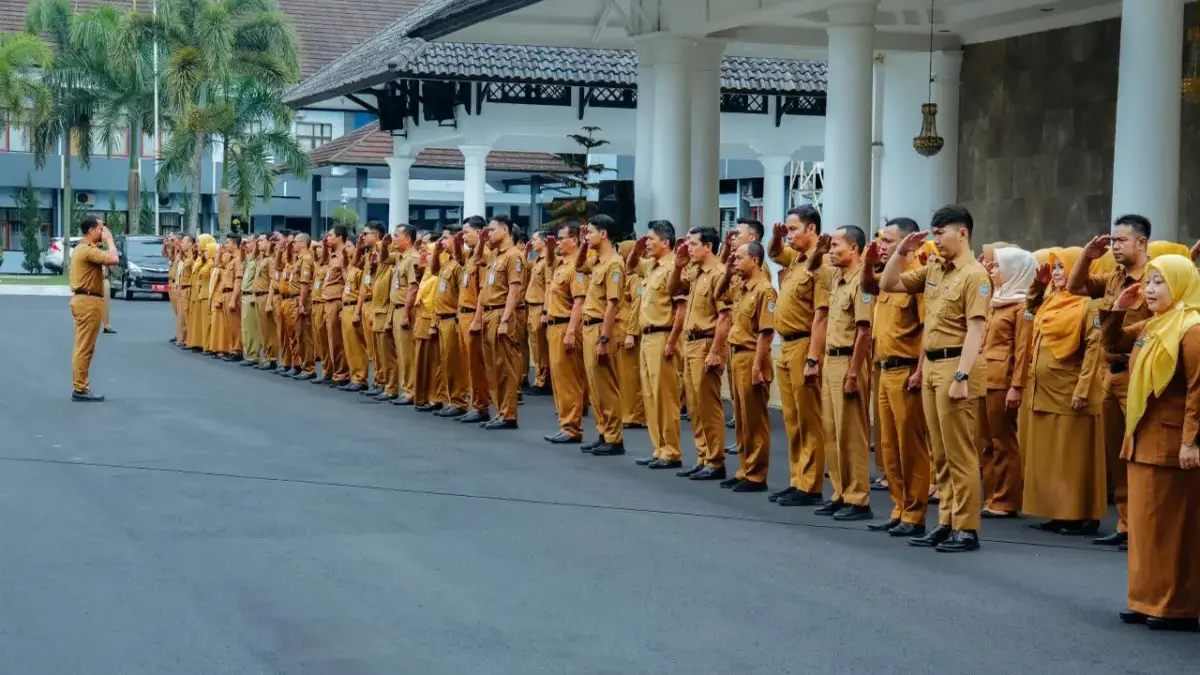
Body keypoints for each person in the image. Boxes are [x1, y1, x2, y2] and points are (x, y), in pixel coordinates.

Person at [880, 204, 989, 553]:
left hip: (956, 364)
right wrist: (902, 250)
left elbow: (976, 330)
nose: (936, 240)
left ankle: (966, 527)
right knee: (939, 453)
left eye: (941, 233)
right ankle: (946, 521)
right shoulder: (934, 272)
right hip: (932, 365)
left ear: (963, 234)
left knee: (960, 453)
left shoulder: (974, 275)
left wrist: (962, 375)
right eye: (935, 233)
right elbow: (889, 282)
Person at [1105, 254, 1200, 632]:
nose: (1150, 288)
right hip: (1143, 438)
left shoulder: (1191, 327)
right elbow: (1112, 345)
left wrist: (1191, 442)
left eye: (1160, 282)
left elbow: (1198, 390)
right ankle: (1144, 598)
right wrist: (1118, 308)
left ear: (1180, 284)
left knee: (1172, 529)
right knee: (1145, 527)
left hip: (1172, 443)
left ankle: (1175, 606)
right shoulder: (1157, 324)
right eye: (1150, 281)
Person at [1068, 215, 1153, 549]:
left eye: (1121, 241)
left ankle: (1143, 527)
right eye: (1113, 241)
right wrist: (1087, 257)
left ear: (1142, 242)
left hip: (1136, 373)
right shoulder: (1115, 277)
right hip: (1110, 374)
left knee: (1139, 453)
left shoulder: (1154, 279)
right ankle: (1125, 523)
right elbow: (1075, 288)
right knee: (1117, 456)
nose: (1115, 247)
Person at [1022, 247, 1106, 536]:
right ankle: (1059, 512)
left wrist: (1083, 390)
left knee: (1072, 457)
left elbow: (1094, 351)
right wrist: (1038, 283)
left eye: (1061, 268)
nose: (1057, 274)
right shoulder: (1051, 300)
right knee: (1052, 458)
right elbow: (1029, 310)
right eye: (1054, 268)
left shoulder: (1088, 306)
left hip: (1070, 393)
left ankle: (1080, 516)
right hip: (1044, 391)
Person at [861, 218, 931, 537]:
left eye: (889, 240)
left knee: (910, 446)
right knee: (888, 445)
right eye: (881, 238)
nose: (883, 245)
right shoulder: (887, 276)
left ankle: (915, 514)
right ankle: (899, 506)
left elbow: (927, 328)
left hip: (906, 369)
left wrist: (920, 371)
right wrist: (869, 260)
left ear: (908, 243)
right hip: (884, 368)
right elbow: (867, 287)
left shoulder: (916, 276)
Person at [766, 205, 829, 506]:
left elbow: (821, 316)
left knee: (808, 419)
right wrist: (777, 237)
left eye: (793, 229)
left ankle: (811, 484)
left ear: (812, 229)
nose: (789, 235)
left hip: (805, 344)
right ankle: (797, 478)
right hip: (787, 345)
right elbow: (774, 253)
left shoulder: (821, 262)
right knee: (791, 418)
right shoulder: (797, 259)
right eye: (788, 229)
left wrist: (813, 359)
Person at [818, 225, 874, 520]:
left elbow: (864, 332)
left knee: (852, 432)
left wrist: (854, 372)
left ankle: (858, 497)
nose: (830, 250)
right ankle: (840, 491)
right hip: (831, 360)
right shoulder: (838, 278)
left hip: (849, 362)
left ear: (854, 249)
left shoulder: (861, 282)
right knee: (831, 430)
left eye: (836, 245)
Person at [978, 246, 1036, 518]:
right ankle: (991, 495)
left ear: (1015, 270)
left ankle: (1007, 499)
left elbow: (1022, 351)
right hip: (984, 377)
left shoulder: (1022, 305)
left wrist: (1017, 385)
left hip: (1002, 380)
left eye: (999, 267)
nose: (994, 271)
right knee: (985, 441)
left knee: (1003, 440)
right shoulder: (997, 299)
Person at [670, 226, 730, 480]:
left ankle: (716, 460)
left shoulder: (719, 273)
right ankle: (703, 455)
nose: (689, 248)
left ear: (708, 246)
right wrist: (677, 265)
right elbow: (674, 290)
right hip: (691, 341)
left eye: (693, 244)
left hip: (707, 341)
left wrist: (716, 351)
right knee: (694, 405)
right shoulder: (695, 271)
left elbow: (725, 317)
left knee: (707, 404)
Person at [719, 240, 777, 492]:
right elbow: (718, 296)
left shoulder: (765, 290)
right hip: (736, 355)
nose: (736, 261)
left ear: (755, 261)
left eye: (740, 258)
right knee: (741, 418)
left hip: (752, 356)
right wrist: (729, 269)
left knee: (755, 419)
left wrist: (757, 368)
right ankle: (744, 467)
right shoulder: (741, 287)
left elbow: (765, 333)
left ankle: (757, 474)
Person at [628, 221, 684, 470]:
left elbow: (680, 309)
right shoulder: (651, 266)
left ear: (666, 242)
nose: (647, 242)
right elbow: (630, 267)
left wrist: (672, 341)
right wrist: (636, 250)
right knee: (650, 395)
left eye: (651, 239)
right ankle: (658, 447)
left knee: (665, 396)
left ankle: (671, 450)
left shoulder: (675, 267)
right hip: (647, 336)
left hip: (663, 335)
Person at [579, 214, 628, 453]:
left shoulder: (614, 264)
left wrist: (604, 338)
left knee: (607, 384)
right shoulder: (597, 261)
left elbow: (612, 304)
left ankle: (614, 438)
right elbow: (579, 266)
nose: (586, 236)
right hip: (589, 326)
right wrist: (582, 243)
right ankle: (603, 430)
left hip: (602, 326)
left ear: (603, 234)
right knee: (595, 385)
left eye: (589, 232)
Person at [472, 215, 526, 429]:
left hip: (501, 314)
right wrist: (484, 240)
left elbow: (514, 290)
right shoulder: (495, 254)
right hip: (488, 314)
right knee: (493, 367)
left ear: (505, 229)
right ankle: (501, 411)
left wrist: (505, 319)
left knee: (506, 367)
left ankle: (509, 414)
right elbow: (477, 259)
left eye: (492, 229)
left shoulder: (514, 256)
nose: (488, 233)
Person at [541, 223, 589, 444]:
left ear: (574, 241)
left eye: (561, 239)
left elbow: (579, 302)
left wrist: (571, 331)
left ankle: (572, 427)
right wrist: (551, 248)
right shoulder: (561, 264)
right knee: (559, 380)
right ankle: (565, 423)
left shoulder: (576, 269)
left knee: (569, 380)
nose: (558, 242)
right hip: (553, 326)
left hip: (565, 326)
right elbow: (549, 263)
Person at [69, 216, 120, 401]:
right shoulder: (87, 250)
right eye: (100, 228)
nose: (103, 231)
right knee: (84, 347)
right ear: (91, 230)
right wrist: (110, 240)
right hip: (87, 301)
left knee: (84, 346)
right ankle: (80, 388)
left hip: (85, 299)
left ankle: (80, 385)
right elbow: (114, 258)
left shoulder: (85, 249)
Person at [457, 216, 492, 423]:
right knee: (465, 364)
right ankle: (473, 403)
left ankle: (480, 405)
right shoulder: (470, 256)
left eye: (466, 232)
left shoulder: (483, 257)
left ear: (479, 232)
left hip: (472, 314)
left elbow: (482, 292)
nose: (463, 236)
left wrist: (477, 319)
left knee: (475, 365)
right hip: (462, 313)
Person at [432, 230, 468, 417]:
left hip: (451, 317)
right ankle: (450, 399)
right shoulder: (446, 263)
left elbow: (462, 292)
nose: (441, 241)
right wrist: (436, 253)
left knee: (453, 362)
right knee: (445, 361)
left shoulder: (459, 265)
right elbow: (433, 271)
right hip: (441, 317)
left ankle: (459, 400)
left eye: (445, 238)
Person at [618, 239, 647, 431]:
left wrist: (630, 333)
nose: (619, 255)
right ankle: (627, 412)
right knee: (624, 375)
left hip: (631, 332)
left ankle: (635, 414)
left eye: (622, 252)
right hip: (621, 328)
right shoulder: (626, 276)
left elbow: (636, 306)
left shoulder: (636, 279)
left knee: (632, 375)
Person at [390, 225, 420, 404]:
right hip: (396, 308)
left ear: (407, 239)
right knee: (401, 353)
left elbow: (413, 287)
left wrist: (407, 313)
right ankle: (406, 388)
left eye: (396, 236)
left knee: (407, 353)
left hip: (404, 309)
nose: (393, 239)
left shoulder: (412, 258)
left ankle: (411, 391)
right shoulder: (400, 258)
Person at [338, 237, 371, 392]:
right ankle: (354, 375)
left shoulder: (361, 268)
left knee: (357, 346)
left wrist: (357, 312)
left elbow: (361, 294)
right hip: (346, 307)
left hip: (353, 308)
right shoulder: (351, 267)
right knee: (349, 346)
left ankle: (361, 377)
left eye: (350, 246)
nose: (347, 249)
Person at [321, 227, 350, 386]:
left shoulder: (344, 255)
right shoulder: (332, 255)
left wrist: (344, 304)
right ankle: (334, 371)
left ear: (339, 237)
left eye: (331, 235)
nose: (327, 238)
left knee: (338, 340)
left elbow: (347, 281)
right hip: (328, 300)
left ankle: (342, 374)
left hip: (337, 300)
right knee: (331, 340)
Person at [524, 230, 552, 396]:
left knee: (541, 347)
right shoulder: (537, 261)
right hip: (532, 306)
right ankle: (540, 378)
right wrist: (526, 251)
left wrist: (545, 310)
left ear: (543, 241)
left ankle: (543, 380)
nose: (532, 242)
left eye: (534, 240)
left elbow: (549, 287)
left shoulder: (548, 262)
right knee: (535, 345)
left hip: (540, 306)